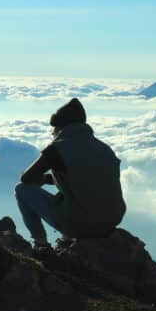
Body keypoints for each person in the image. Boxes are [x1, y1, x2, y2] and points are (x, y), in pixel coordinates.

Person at [15, 97, 126, 255]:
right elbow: (84, 179)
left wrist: (42, 179)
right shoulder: (104, 148)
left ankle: (41, 244)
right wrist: (48, 180)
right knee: (72, 197)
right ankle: (66, 238)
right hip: (111, 220)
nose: (53, 132)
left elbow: (26, 178)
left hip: (81, 224)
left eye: (54, 128)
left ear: (61, 126)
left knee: (22, 190)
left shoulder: (57, 149)